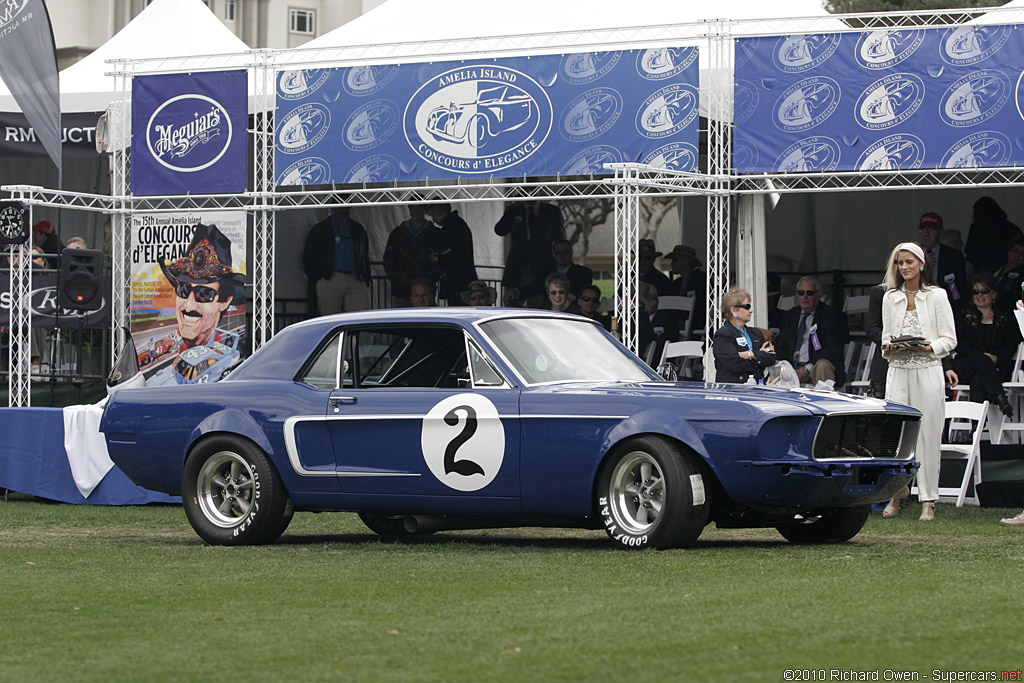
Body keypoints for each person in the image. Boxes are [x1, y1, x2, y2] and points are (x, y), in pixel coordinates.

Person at [880, 242, 957, 522]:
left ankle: (928, 500)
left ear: (922, 264)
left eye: (910, 262)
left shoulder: (936, 295)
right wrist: (889, 348)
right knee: (898, 435)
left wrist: (929, 348)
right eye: (901, 263)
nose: (905, 267)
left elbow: (949, 339)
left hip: (927, 368)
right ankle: (897, 494)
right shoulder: (890, 297)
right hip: (899, 368)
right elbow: (885, 337)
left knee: (928, 434)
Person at [159, 224, 246, 354]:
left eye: (203, 294)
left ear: (224, 301)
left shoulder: (227, 361)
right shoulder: (166, 348)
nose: (189, 306)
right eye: (183, 289)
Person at [950, 272, 1020, 417]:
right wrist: (982, 357)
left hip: (996, 368)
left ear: (994, 294)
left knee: (980, 378)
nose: (979, 295)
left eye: (985, 291)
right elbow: (959, 343)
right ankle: (1000, 397)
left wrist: (996, 358)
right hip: (966, 365)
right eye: (976, 291)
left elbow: (1012, 344)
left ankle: (976, 429)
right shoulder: (963, 315)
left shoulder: (1005, 317)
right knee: (982, 362)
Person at [773, 276, 850, 388]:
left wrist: (806, 369)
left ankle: (823, 402)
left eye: (809, 293)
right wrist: (787, 367)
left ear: (819, 294)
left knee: (822, 365)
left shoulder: (832, 316)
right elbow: (782, 345)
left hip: (816, 367)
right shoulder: (789, 317)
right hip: (793, 367)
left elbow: (832, 350)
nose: (805, 297)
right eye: (801, 293)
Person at [302, 204, 371, 315]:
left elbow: (364, 254)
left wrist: (365, 276)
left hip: (355, 278)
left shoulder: (358, 229)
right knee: (330, 319)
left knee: (360, 318)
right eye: (340, 206)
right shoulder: (321, 229)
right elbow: (309, 257)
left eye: (346, 206)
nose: (343, 210)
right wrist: (318, 279)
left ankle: (354, 334)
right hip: (331, 278)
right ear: (333, 207)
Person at [495, 199, 565, 307]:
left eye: (533, 187)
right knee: (511, 304)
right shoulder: (514, 210)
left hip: (541, 268)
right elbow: (500, 230)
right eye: (527, 187)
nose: (530, 191)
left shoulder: (551, 211)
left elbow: (560, 238)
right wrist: (513, 209)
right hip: (516, 267)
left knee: (537, 307)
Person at [383, 202, 445, 308]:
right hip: (401, 290)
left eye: (419, 208)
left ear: (425, 209)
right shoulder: (397, 233)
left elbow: (442, 260)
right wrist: (397, 279)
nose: (416, 211)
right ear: (409, 209)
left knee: (427, 322)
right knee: (402, 321)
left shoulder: (435, 233)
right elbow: (388, 259)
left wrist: (431, 278)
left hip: (426, 291)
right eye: (413, 208)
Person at [712, 287, 776, 383]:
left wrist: (749, 354)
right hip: (733, 390)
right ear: (734, 310)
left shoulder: (756, 333)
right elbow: (734, 364)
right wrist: (758, 356)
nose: (751, 310)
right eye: (747, 307)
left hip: (757, 387)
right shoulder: (723, 334)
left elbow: (771, 358)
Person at [428, 202, 477, 305]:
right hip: (462, 278)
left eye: (434, 216)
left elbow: (457, 255)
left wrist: (438, 259)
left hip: (457, 280)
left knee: (458, 307)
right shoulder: (457, 224)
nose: (433, 219)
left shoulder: (451, 227)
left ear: (441, 213)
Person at [918, 212, 968, 306]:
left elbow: (959, 290)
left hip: (945, 305)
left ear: (941, 233)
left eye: (931, 230)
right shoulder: (911, 255)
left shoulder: (954, 256)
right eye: (923, 229)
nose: (926, 234)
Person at [965, 196, 1023, 274]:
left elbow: (970, 251)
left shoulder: (977, 227)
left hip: (983, 272)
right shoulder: (1011, 228)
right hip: (1007, 271)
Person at [662, 243, 706, 334]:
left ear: (685, 260)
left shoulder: (702, 280)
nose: (671, 263)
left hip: (695, 329)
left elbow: (703, 307)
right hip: (674, 329)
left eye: (675, 260)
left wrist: (686, 321)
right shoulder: (675, 283)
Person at [994, 235, 1024, 311]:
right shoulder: (996, 266)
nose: (1017, 255)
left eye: (1022, 253)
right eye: (1015, 251)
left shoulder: (1022, 275)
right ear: (1009, 250)